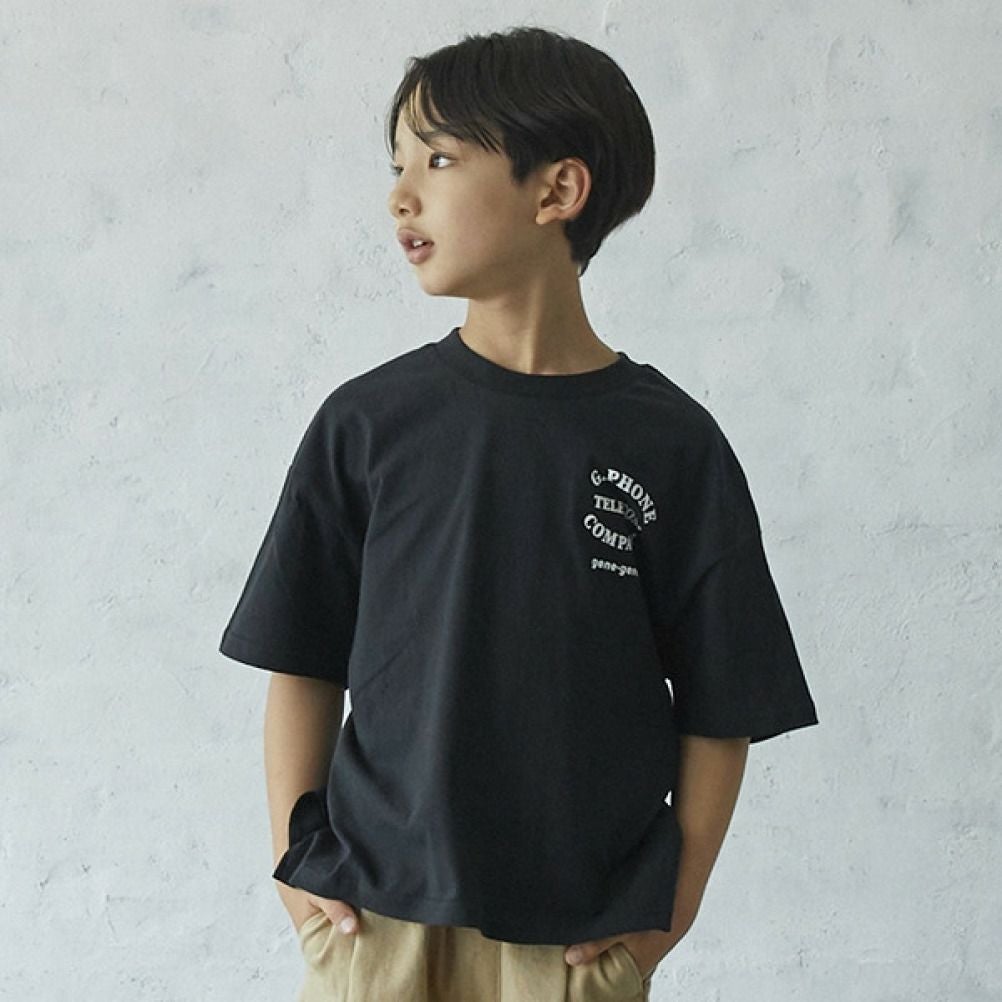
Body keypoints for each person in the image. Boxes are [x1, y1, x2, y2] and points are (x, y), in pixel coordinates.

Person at [219, 24, 819, 1002]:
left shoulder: (672, 445)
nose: (400, 195)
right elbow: (303, 659)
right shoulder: (368, 424)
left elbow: (723, 708)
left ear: (557, 190)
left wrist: (667, 916)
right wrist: (300, 875)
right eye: (397, 165)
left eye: (438, 160)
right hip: (375, 923)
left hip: (574, 943)